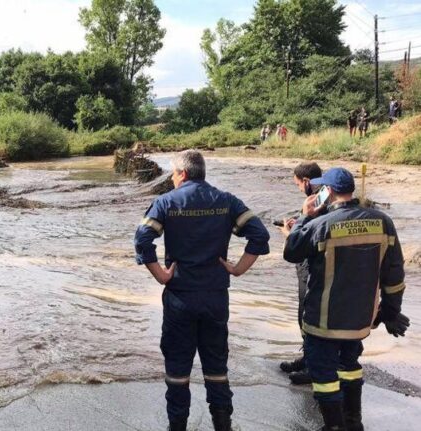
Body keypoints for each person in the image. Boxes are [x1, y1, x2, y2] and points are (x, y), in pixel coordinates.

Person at [134, 150, 270, 431]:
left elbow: (143, 239)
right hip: (215, 296)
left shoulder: (166, 203)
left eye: (173, 173)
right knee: (216, 366)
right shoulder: (226, 201)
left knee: (177, 368)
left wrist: (160, 274)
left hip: (180, 297)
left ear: (182, 173)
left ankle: (177, 426)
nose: (172, 178)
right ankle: (222, 425)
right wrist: (238, 268)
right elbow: (259, 235)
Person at [283, 167, 409, 430]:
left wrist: (305, 219)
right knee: (349, 365)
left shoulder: (320, 225)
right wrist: (390, 311)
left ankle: (334, 425)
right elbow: (394, 273)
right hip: (360, 320)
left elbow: (292, 252)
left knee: (324, 374)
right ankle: (354, 421)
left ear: (327, 191)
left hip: (324, 320)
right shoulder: (382, 221)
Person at [278, 162, 323, 386]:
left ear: (306, 181)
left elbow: (301, 243)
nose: (298, 188)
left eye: (297, 184)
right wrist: (300, 223)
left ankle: (312, 366)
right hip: (313, 265)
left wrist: (290, 233)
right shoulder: (323, 196)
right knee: (306, 313)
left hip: (311, 266)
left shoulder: (315, 199)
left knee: (307, 314)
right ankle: (308, 358)